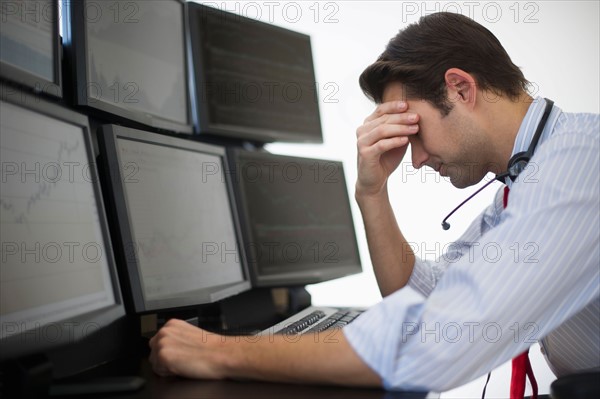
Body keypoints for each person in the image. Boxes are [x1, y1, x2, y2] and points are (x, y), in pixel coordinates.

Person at [149, 12, 599, 392]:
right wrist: (372, 192)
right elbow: (424, 297)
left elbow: (436, 344)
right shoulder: (524, 179)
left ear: (461, 89)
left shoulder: (580, 162)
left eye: (415, 132)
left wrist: (219, 352)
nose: (416, 160)